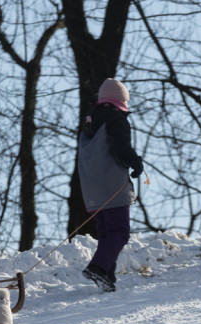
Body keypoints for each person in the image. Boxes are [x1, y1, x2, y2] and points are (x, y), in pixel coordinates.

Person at [78, 78, 145, 293]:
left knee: (107, 234)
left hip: (90, 187)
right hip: (111, 185)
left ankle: (107, 275)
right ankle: (97, 267)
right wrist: (135, 163)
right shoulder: (116, 119)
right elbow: (120, 148)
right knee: (119, 232)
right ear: (121, 101)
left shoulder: (90, 121)